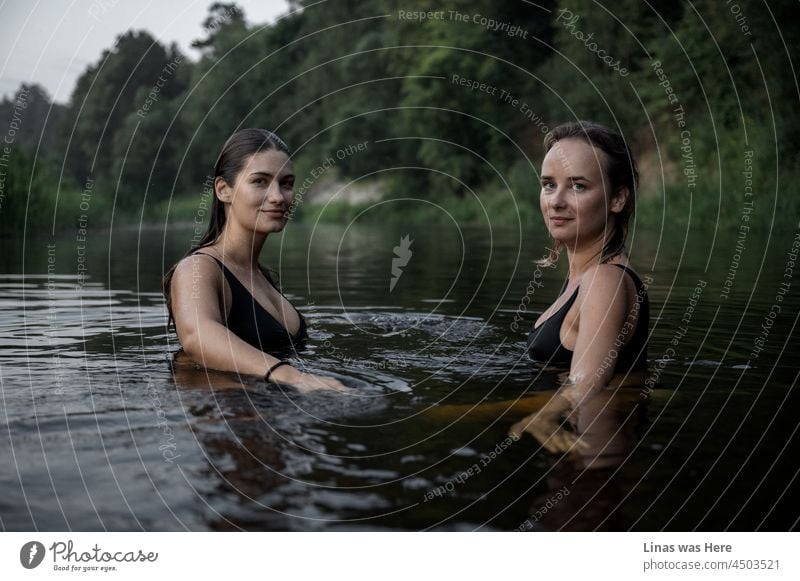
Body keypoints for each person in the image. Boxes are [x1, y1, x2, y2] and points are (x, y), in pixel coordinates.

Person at [163, 128, 344, 392]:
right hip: (230, 420)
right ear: (224, 190)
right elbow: (197, 336)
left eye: (287, 183)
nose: (278, 197)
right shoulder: (199, 268)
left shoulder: (262, 277)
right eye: (260, 181)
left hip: (280, 414)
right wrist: (295, 378)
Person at [512, 120, 650, 444]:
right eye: (548, 184)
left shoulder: (605, 280)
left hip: (591, 450)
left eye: (578, 186)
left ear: (617, 199)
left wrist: (543, 416)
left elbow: (588, 380)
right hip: (572, 447)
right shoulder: (584, 278)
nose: (556, 201)